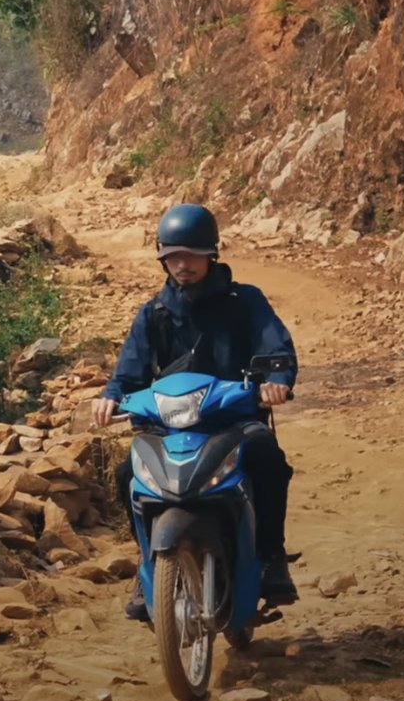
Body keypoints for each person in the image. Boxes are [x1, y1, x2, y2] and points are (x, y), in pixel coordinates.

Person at [91, 203, 299, 621]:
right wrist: (111, 396)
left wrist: (277, 380)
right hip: (170, 426)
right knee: (125, 474)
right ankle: (147, 565)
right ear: (163, 259)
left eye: (191, 255)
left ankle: (272, 556)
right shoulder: (154, 314)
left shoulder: (245, 302)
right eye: (173, 256)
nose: (182, 265)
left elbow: (275, 348)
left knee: (269, 461)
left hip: (234, 420)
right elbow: (129, 371)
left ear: (211, 254)